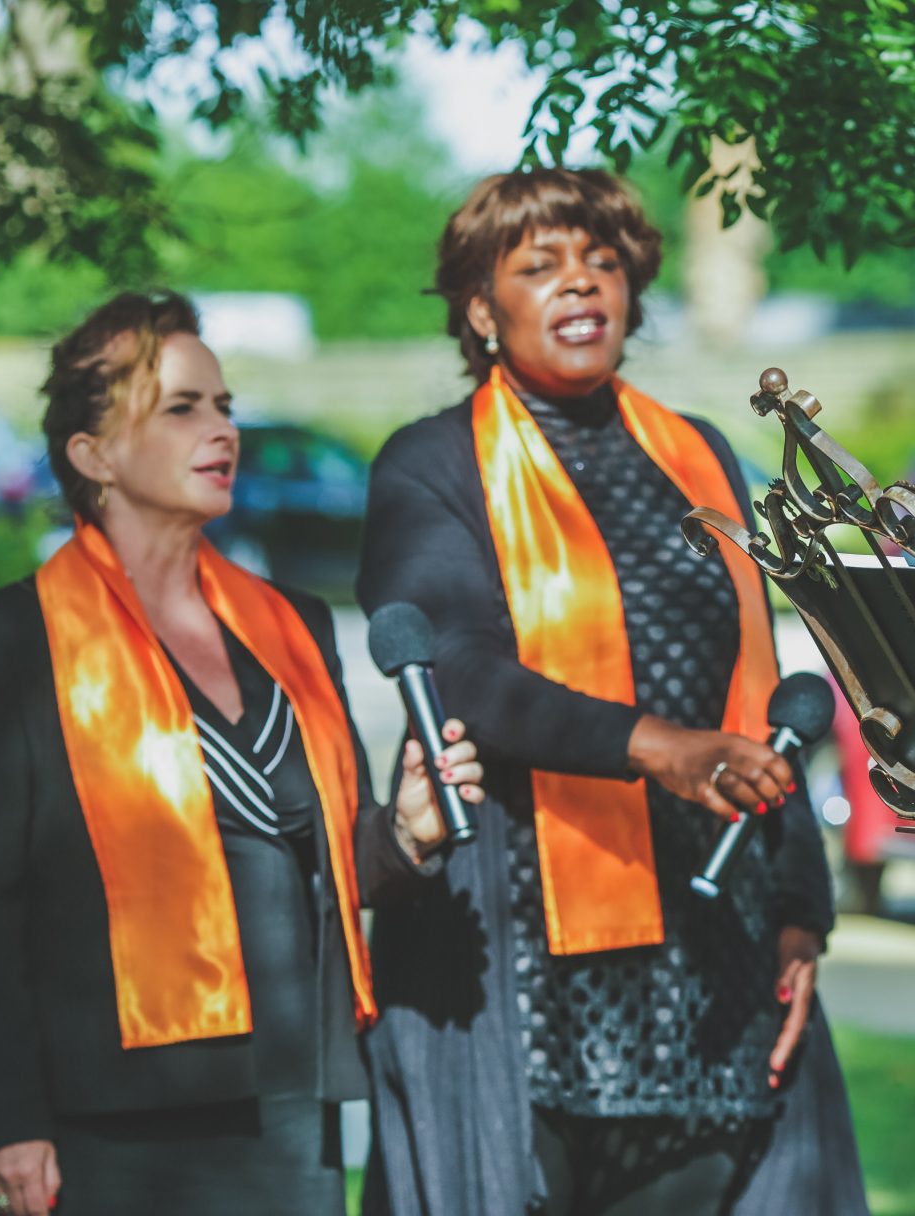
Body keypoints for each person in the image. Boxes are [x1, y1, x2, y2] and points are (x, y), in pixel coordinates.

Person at [356, 168, 865, 1216]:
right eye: (539, 266)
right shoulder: (433, 463)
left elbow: (756, 684)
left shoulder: (699, 454)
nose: (581, 284)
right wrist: (662, 747)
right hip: (513, 951)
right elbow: (465, 670)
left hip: (703, 941)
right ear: (480, 310)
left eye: (602, 261)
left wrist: (801, 911)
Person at [0, 291, 484, 1216]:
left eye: (222, 405)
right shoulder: (5, 643)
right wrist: (6, 1118)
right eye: (180, 407)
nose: (221, 429)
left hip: (289, 1094)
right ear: (91, 453)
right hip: (106, 1114)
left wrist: (408, 835)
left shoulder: (292, 627)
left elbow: (326, 866)